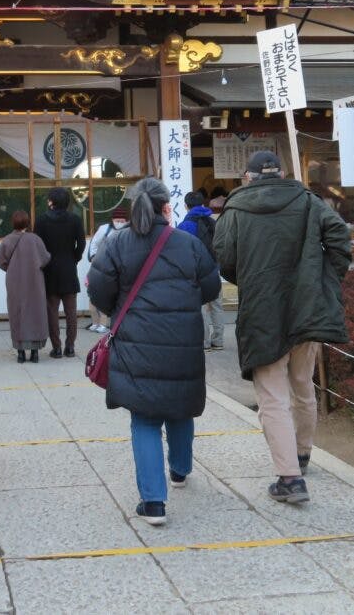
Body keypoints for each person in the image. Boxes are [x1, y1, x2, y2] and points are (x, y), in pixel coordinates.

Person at [212, 150, 351, 505]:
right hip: (306, 305)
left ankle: (289, 478)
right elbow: (338, 237)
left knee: (272, 392)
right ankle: (302, 455)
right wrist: (326, 280)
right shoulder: (308, 201)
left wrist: (247, 278)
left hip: (261, 309)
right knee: (303, 385)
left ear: (248, 176)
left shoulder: (236, 209)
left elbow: (224, 257)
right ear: (284, 173)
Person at [86, 178, 221, 527]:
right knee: (179, 403)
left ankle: (153, 502)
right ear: (166, 207)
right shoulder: (187, 244)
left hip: (136, 340)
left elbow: (99, 290)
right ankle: (180, 469)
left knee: (144, 418)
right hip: (183, 338)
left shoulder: (116, 244)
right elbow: (210, 287)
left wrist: (121, 310)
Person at [34, 187, 86, 358]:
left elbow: (38, 246)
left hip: (50, 270)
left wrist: (44, 263)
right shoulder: (75, 219)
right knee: (71, 313)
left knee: (52, 312)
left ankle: (56, 348)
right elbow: (82, 243)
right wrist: (74, 258)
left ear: (51, 202)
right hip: (69, 269)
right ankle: (70, 347)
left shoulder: (41, 220)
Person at [0, 210, 51, 363]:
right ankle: (35, 353)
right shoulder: (35, 240)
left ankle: (20, 353)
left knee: (17, 312)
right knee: (35, 313)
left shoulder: (7, 240)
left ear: (13, 223)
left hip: (15, 281)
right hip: (35, 281)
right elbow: (46, 258)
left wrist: (13, 267)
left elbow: (1, 262)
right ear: (28, 223)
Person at [178, 190, 223, 350]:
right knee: (217, 305)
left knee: (201, 305)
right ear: (203, 204)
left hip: (196, 270)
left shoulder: (184, 225)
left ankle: (204, 342)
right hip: (214, 268)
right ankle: (218, 340)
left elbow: (181, 251)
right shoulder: (213, 221)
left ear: (186, 206)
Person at [85, 205, 129, 333]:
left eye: (122, 221)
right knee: (95, 294)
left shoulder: (130, 230)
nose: (119, 223)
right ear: (112, 219)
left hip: (121, 269)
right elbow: (93, 245)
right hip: (101, 268)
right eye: (117, 220)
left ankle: (107, 324)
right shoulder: (104, 229)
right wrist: (94, 259)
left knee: (115, 296)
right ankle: (95, 322)